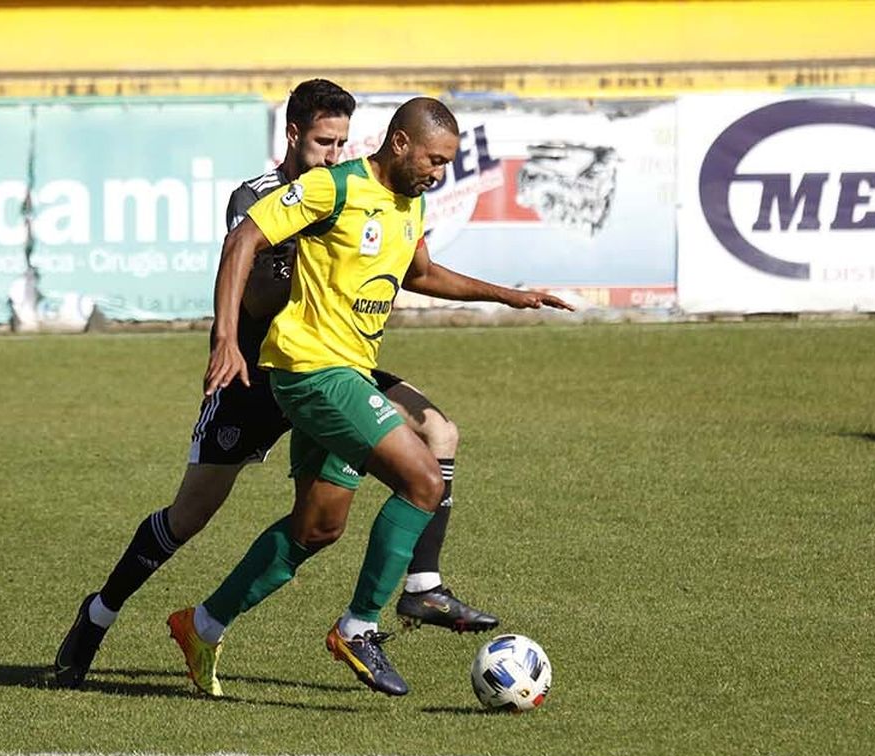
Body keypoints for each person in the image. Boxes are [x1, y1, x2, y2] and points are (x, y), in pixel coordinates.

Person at [53, 79, 496, 690]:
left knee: (429, 436)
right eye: (322, 141)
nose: (332, 153)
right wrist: (229, 333)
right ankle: (99, 614)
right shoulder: (263, 196)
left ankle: (421, 585)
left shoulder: (357, 192)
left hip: (330, 364)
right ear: (293, 135)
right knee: (189, 517)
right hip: (256, 376)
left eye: (342, 142)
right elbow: (255, 280)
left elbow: (404, 267)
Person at [168, 97, 574, 697]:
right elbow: (243, 241)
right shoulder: (332, 189)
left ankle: (202, 625)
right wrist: (226, 340)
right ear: (401, 143)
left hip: (349, 375)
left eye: (448, 164)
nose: (439, 172)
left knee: (317, 528)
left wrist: (510, 296)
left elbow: (421, 274)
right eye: (434, 159)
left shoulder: (410, 203)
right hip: (311, 371)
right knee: (423, 480)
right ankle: (361, 627)